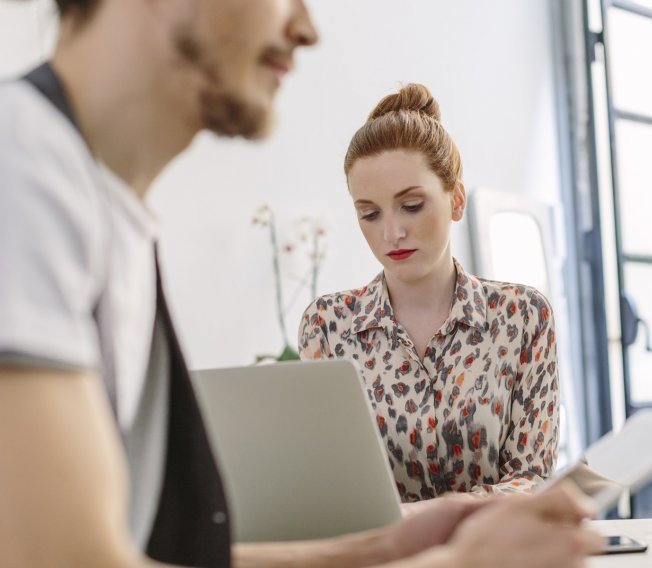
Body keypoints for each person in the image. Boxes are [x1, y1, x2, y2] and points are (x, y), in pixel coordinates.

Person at [0, 1, 603, 567]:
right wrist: (456, 563)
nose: (306, 28)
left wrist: (378, 549)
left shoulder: (102, 208)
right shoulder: (21, 169)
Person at [299, 83, 562, 504]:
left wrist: (424, 517)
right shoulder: (328, 326)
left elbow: (531, 479)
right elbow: (325, 484)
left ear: (456, 200)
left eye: (412, 205)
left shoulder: (522, 316)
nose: (391, 233)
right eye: (369, 213)